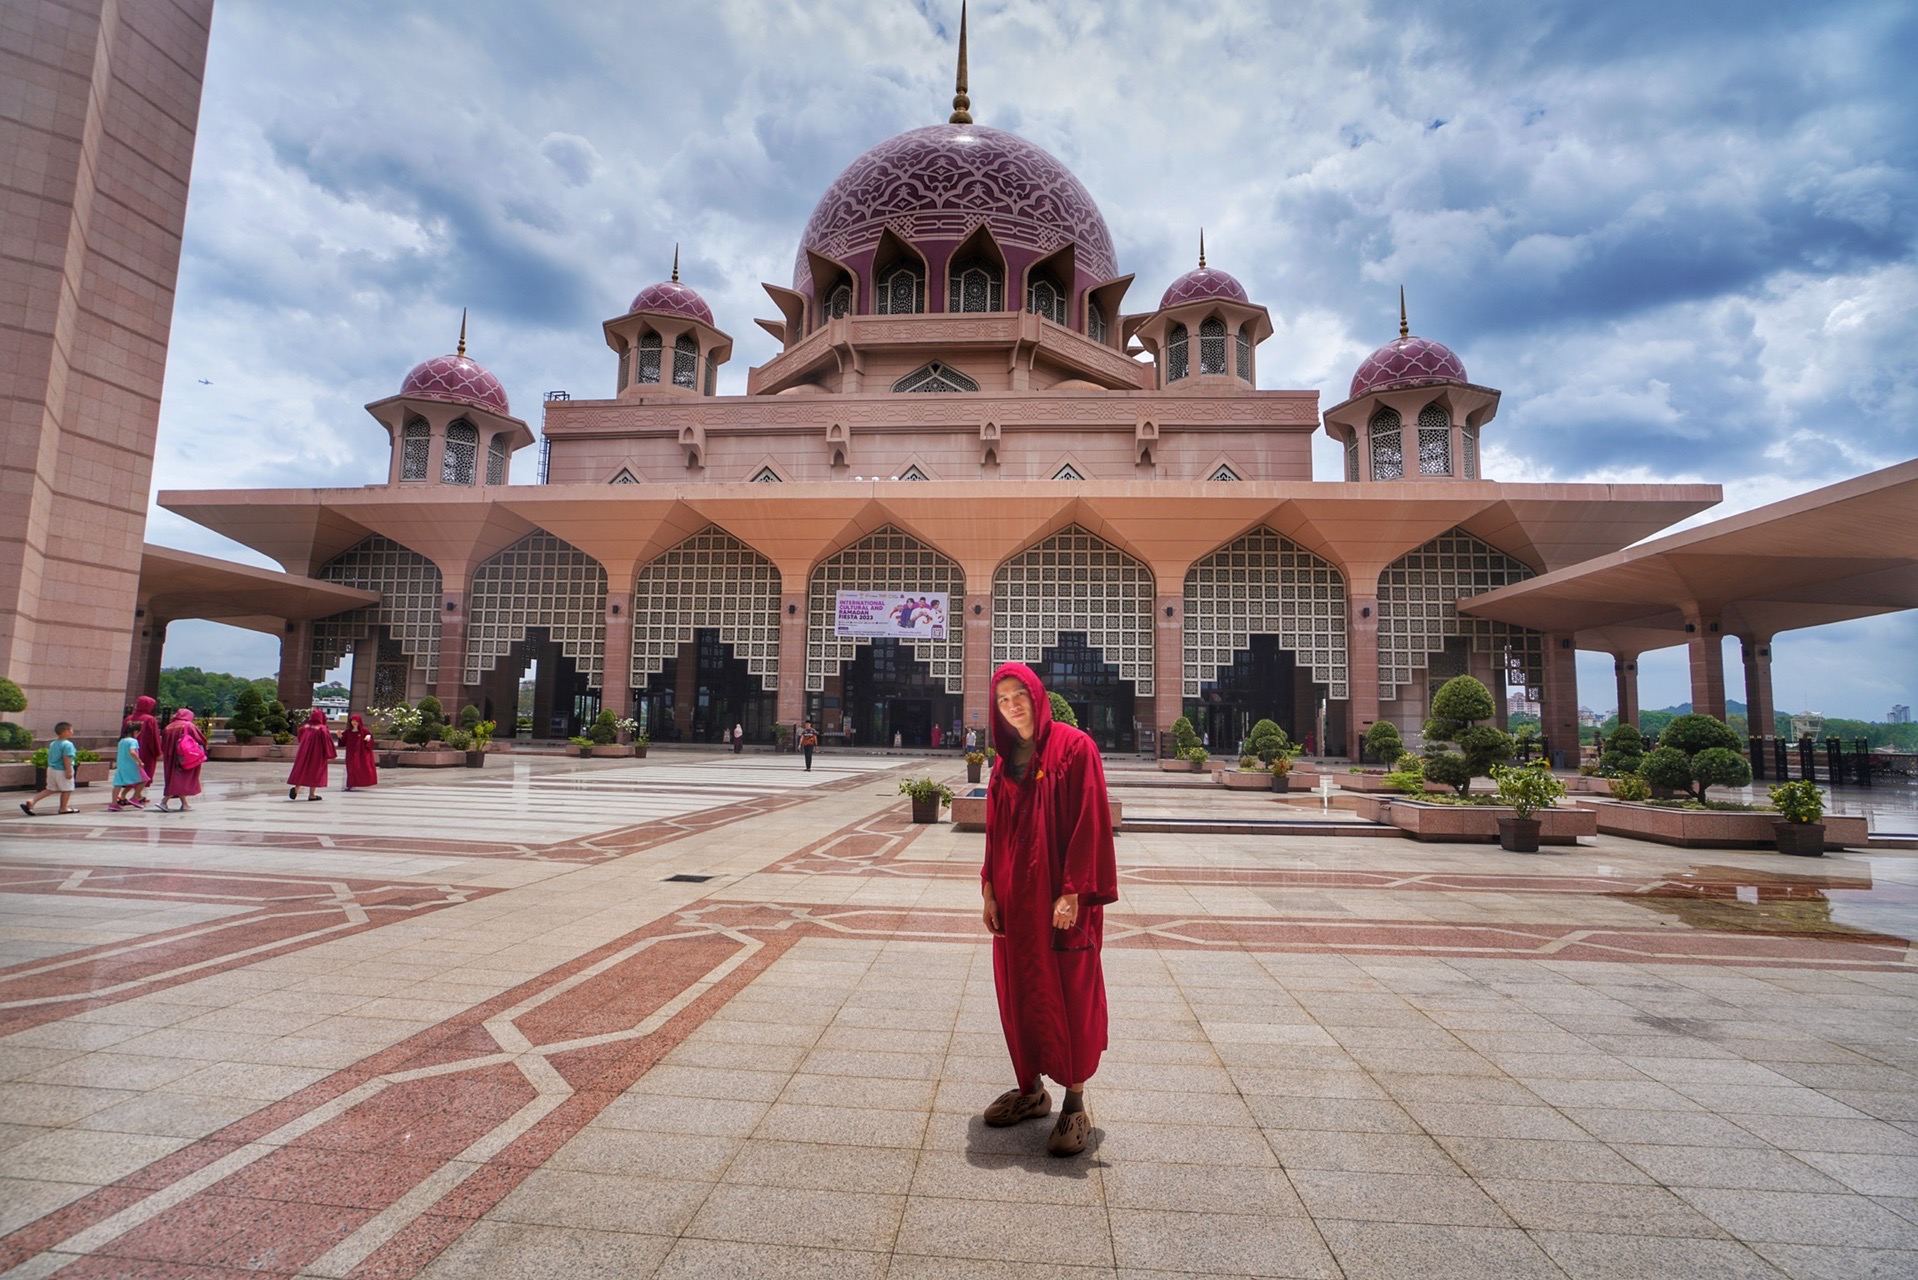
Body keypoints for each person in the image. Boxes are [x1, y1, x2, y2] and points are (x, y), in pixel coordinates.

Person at [979, 662, 1117, 1158]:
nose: (1013, 704)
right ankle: (1032, 1090)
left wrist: (1075, 889)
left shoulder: (1075, 749)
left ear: (1038, 696)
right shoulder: (1002, 763)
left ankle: (1074, 1102)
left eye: (1020, 694)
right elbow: (996, 832)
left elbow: (1090, 818)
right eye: (1003, 699)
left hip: (1061, 902)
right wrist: (989, 889)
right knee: (1020, 992)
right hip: (1017, 904)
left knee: (1070, 991)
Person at [20, 722, 80, 816]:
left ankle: (32, 801)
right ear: (66, 732)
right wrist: (69, 771)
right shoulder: (68, 744)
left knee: (50, 789)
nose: (72, 732)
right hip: (62, 770)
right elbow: (66, 758)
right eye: (71, 730)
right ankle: (63, 808)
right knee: (67, 789)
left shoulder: (53, 743)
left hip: (52, 769)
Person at [158, 708, 206, 812]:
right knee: (181, 778)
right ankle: (164, 801)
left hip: (170, 757)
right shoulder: (189, 725)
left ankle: (184, 804)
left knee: (175, 777)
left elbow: (163, 744)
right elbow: (201, 739)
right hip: (185, 756)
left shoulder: (168, 727)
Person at [286, 708, 336, 801]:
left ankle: (296, 789)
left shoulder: (305, 727)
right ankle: (312, 795)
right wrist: (330, 754)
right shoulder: (322, 728)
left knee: (302, 770)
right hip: (317, 754)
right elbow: (326, 742)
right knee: (315, 772)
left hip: (303, 753)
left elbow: (300, 738)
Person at [123, 695, 161, 807]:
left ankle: (138, 795)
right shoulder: (149, 719)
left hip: (128, 751)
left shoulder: (128, 719)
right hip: (144, 751)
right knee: (144, 774)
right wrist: (158, 752)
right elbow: (154, 738)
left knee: (131, 772)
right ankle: (135, 796)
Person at [109, 725, 146, 811]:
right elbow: (132, 752)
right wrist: (140, 761)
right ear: (135, 732)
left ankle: (113, 804)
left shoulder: (121, 741)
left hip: (121, 765)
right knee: (144, 779)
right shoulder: (133, 741)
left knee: (118, 784)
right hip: (131, 765)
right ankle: (135, 797)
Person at [341, 713, 378, 791]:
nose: (354, 722)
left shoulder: (364, 731)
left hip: (360, 754)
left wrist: (368, 739)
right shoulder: (348, 731)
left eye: (355, 721)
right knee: (350, 768)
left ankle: (353, 784)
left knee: (356, 768)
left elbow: (369, 740)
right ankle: (349, 784)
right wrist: (340, 736)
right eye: (352, 721)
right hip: (350, 753)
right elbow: (343, 740)